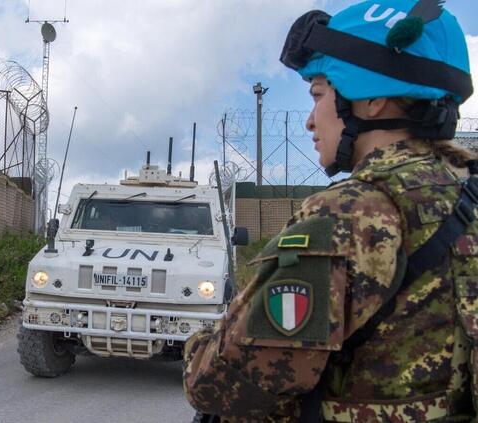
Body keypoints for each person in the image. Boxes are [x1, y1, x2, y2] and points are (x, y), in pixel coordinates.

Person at [183, 0, 476, 421]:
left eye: (318, 94)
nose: (309, 120)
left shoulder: (350, 214)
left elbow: (223, 384)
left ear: (371, 98)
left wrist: (202, 343)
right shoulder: (468, 197)